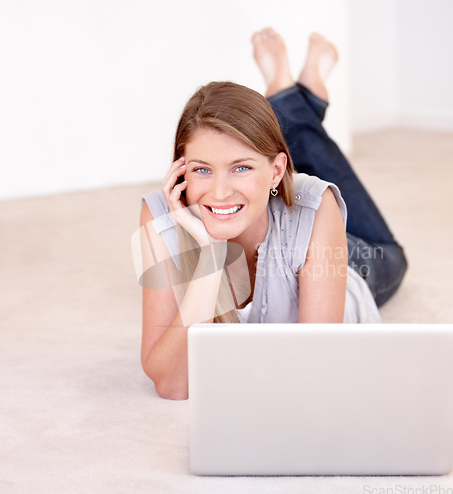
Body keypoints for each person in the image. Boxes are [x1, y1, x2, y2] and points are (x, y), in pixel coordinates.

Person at [136, 28, 407, 399]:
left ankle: (288, 95)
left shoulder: (315, 203)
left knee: (392, 255)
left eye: (241, 167)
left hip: (347, 259)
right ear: (180, 171)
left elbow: (313, 372)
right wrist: (207, 264)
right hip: (293, 233)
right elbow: (171, 384)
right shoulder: (159, 216)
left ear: (277, 172)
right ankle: (299, 98)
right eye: (202, 169)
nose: (218, 191)